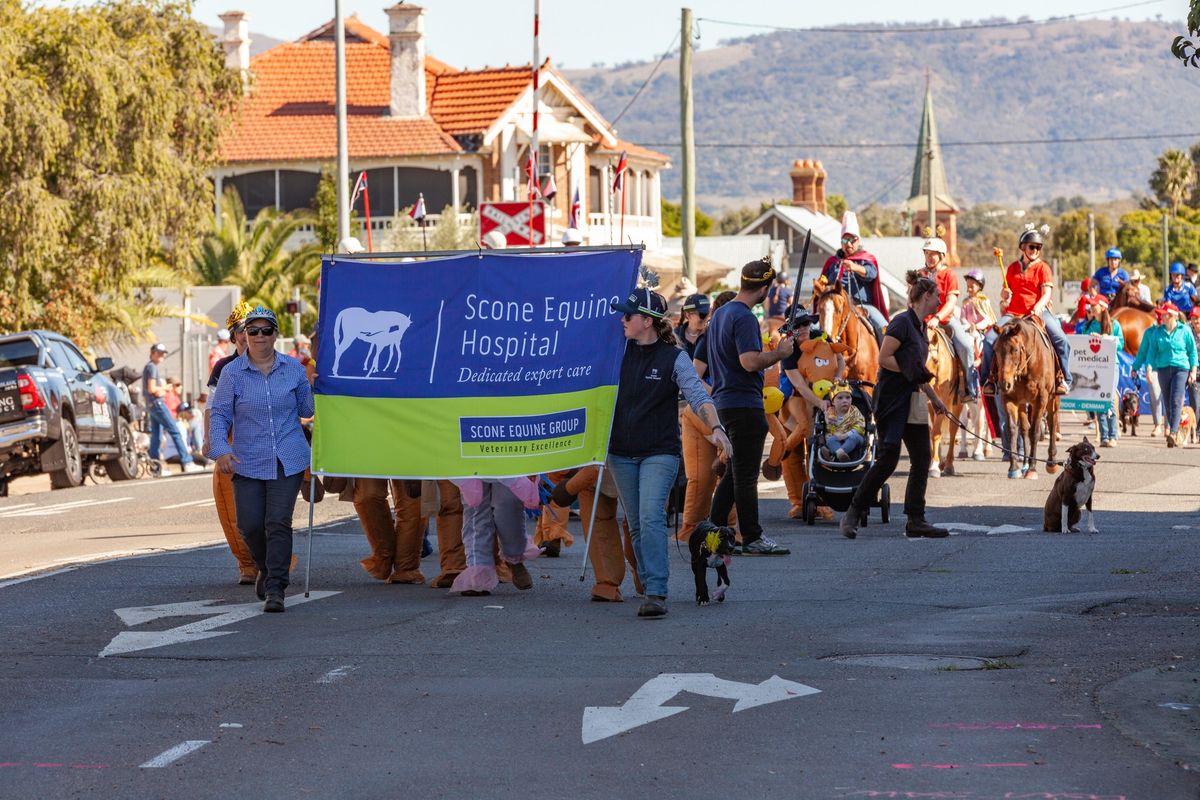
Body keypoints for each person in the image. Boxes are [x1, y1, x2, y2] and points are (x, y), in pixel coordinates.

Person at [607, 287, 731, 618]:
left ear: (646, 322)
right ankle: (650, 584)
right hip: (619, 452)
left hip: (659, 451)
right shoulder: (616, 351)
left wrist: (717, 429)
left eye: (628, 315)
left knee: (650, 517)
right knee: (635, 523)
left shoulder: (673, 357)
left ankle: (657, 591)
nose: (622, 319)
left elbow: (698, 396)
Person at [209, 306, 315, 612]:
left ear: (275, 335)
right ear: (244, 336)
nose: (258, 336)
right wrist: (220, 451)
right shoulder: (232, 373)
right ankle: (267, 567)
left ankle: (275, 587)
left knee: (278, 522)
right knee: (250, 525)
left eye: (265, 330)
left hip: (288, 457)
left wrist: (313, 383)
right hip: (248, 460)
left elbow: (307, 411)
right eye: (252, 331)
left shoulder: (293, 369)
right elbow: (218, 415)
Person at [840, 272, 950, 540]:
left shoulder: (921, 327)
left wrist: (935, 398)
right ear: (926, 296)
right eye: (937, 295)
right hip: (892, 400)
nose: (939, 300)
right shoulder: (902, 322)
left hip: (912, 399)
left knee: (922, 457)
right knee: (888, 458)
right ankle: (852, 513)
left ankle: (916, 519)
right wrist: (911, 374)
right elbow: (884, 358)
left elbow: (916, 369)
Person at [706, 259, 795, 556]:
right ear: (766, 290)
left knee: (733, 473)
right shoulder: (743, 316)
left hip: (724, 403)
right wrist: (779, 353)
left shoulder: (720, 313)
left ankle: (712, 531)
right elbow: (748, 361)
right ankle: (753, 536)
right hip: (744, 403)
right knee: (744, 476)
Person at [981, 225, 1072, 396]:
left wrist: (1038, 306)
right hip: (1013, 313)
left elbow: (1047, 294)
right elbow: (1005, 295)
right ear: (1023, 247)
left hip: (1036, 312)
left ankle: (1064, 379)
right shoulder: (1012, 268)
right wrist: (1005, 295)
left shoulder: (1043, 268)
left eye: (1038, 247)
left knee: (1061, 339)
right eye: (1032, 246)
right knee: (989, 340)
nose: (1035, 250)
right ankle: (989, 380)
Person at [1130, 302, 1197, 448]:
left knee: (1176, 399)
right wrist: (1147, 368)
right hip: (1163, 369)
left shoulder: (1184, 330)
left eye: (1163, 314)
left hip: (1181, 368)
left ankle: (1172, 433)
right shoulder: (1157, 332)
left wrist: (1193, 370)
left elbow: (1192, 352)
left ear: (1171, 316)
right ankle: (1175, 431)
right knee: (1167, 402)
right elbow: (1151, 353)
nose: (1161, 316)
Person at [919, 237, 978, 399]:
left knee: (966, 346)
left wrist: (937, 317)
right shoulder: (919, 274)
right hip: (921, 321)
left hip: (944, 320)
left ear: (942, 256)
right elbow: (912, 300)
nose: (929, 257)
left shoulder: (949, 275)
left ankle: (969, 387)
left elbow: (951, 302)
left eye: (934, 254)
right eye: (927, 253)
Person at [819, 211, 889, 343]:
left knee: (885, 328)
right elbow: (824, 280)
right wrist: (820, 284)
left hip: (862, 306)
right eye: (845, 240)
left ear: (858, 240)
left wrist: (854, 267)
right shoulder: (832, 262)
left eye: (852, 240)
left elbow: (871, 273)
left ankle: (887, 360)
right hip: (835, 306)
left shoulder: (865, 258)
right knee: (813, 329)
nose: (849, 244)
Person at [143, 344, 201, 474]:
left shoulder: (149, 367)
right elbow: (152, 389)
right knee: (175, 431)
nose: (161, 355)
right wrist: (165, 388)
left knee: (156, 437)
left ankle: (155, 468)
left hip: (151, 404)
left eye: (163, 353)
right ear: (152, 353)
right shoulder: (151, 367)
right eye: (158, 353)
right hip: (157, 404)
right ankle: (187, 462)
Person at [1078, 296, 1123, 448]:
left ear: (1102, 307)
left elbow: (1121, 344)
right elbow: (1082, 343)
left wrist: (1106, 339)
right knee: (1099, 400)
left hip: (1111, 365)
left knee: (1108, 398)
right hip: (1094, 366)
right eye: (1090, 305)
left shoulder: (1114, 324)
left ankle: (1113, 434)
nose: (1091, 307)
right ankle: (1104, 435)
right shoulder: (1088, 325)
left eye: (1094, 305)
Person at [820, 383, 866, 461]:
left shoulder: (854, 411)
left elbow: (860, 425)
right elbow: (829, 426)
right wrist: (827, 418)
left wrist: (846, 435)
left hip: (852, 436)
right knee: (830, 440)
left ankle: (835, 453)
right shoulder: (830, 412)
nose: (844, 400)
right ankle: (840, 454)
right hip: (836, 436)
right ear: (833, 402)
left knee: (854, 437)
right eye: (840, 398)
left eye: (848, 397)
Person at [675, 293, 711, 360]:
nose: (707, 318)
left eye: (708, 314)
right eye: (702, 315)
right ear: (688, 315)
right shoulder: (674, 336)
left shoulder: (711, 335)